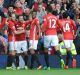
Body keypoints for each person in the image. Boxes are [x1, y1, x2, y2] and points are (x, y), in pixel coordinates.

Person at [42, 5, 65, 70]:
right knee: (57, 49)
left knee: (46, 50)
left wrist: (42, 31)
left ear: (46, 10)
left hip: (48, 35)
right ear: (51, 10)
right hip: (54, 35)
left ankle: (48, 66)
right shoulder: (55, 17)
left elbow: (44, 26)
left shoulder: (46, 17)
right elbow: (60, 25)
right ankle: (61, 58)